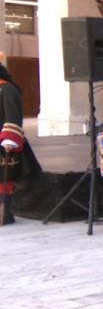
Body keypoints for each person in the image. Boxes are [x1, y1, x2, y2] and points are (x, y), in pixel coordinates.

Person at [0, 57, 40, 225]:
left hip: (4, 144)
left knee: (4, 179)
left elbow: (13, 116)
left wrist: (9, 138)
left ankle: (4, 215)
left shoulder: (6, 89)